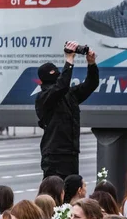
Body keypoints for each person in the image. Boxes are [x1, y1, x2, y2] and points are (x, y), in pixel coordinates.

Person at [35, 41, 99, 179]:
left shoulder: (69, 94)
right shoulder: (44, 97)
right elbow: (61, 87)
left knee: (71, 193)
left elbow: (91, 84)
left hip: (71, 153)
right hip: (54, 155)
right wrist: (69, 60)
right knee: (54, 194)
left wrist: (91, 64)